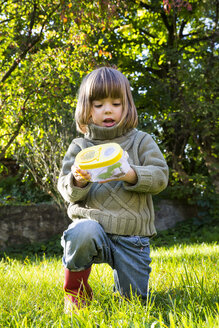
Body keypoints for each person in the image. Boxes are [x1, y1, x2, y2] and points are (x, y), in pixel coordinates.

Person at [57, 66, 169, 312]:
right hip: (92, 227)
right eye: (98, 105)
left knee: (135, 304)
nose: (107, 110)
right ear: (86, 109)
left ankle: (126, 288)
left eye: (116, 103)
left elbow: (161, 177)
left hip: (132, 237)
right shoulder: (80, 146)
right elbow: (65, 189)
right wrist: (78, 180)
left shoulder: (141, 141)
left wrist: (131, 174)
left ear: (127, 105)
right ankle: (76, 294)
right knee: (81, 231)